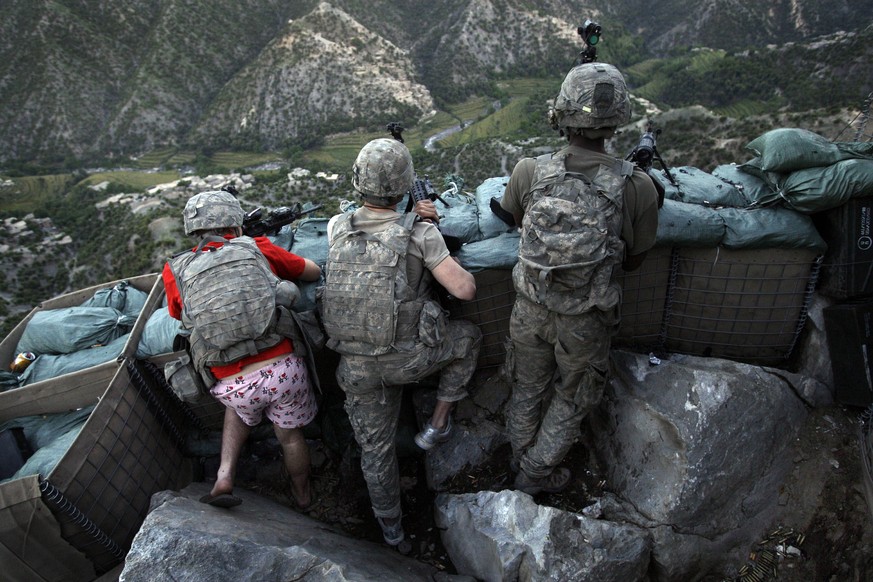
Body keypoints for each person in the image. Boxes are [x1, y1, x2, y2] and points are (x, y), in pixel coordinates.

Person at [500, 62, 660, 495]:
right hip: (585, 319)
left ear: (561, 114)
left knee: (527, 385)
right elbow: (635, 261)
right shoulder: (637, 187)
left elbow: (514, 218)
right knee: (573, 396)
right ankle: (533, 474)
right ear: (617, 119)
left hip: (529, 307)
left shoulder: (529, 170)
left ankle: (520, 454)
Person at [321, 138, 482, 550]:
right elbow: (464, 289)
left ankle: (392, 531)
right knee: (468, 339)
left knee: (374, 450)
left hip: (354, 368)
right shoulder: (421, 233)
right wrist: (424, 226)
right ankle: (437, 425)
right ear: (405, 186)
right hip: (406, 360)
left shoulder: (336, 227)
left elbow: (376, 238)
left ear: (358, 182)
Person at [162, 190, 322, 510]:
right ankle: (303, 495)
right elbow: (312, 271)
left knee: (236, 408)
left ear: (192, 230)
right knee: (290, 438)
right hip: (283, 370)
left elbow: (180, 314)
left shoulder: (175, 270)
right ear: (235, 225)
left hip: (231, 383)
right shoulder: (257, 247)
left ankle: (224, 476)